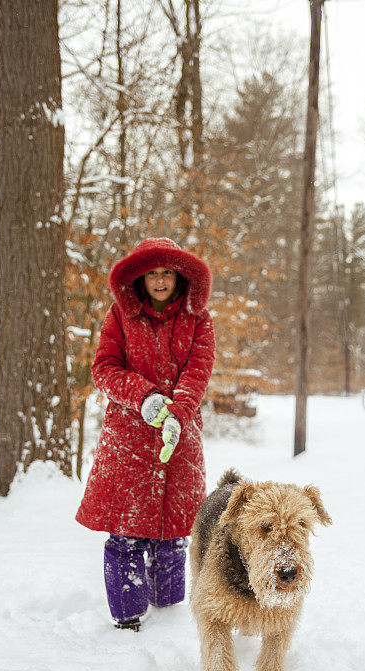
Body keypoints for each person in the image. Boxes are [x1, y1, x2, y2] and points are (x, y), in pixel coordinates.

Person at [76, 237, 215, 631]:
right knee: (126, 535)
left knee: (173, 538)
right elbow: (104, 368)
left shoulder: (198, 318)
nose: (159, 280)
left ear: (179, 276)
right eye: (152, 272)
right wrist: (145, 398)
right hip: (129, 441)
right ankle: (128, 622)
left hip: (179, 441)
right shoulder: (120, 315)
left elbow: (198, 369)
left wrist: (178, 411)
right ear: (140, 276)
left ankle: (167, 619)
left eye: (166, 272)